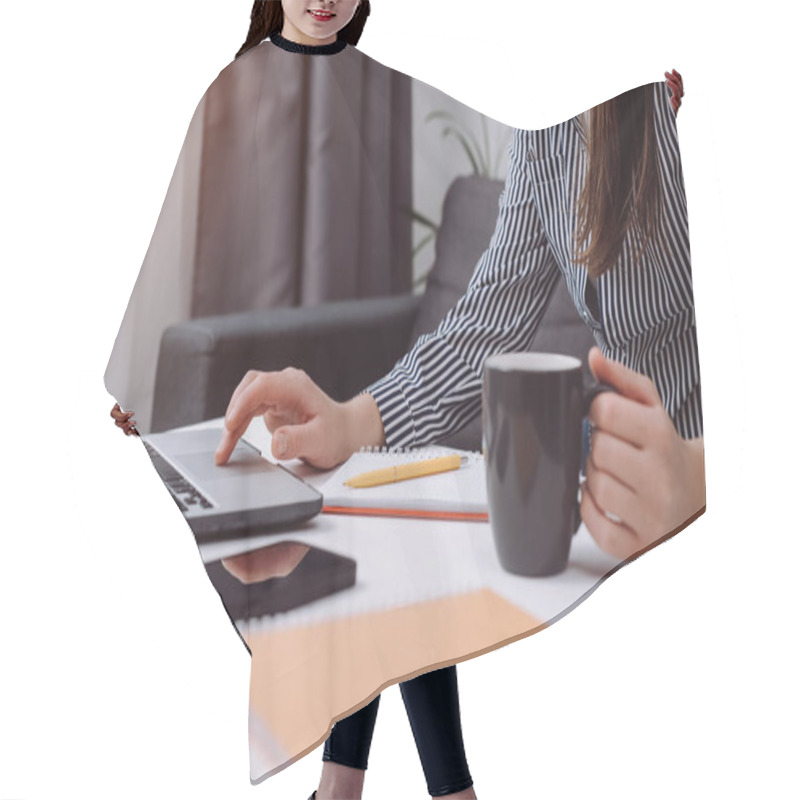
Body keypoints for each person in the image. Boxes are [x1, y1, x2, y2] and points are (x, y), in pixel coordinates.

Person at [112, 2, 478, 799]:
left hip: (372, 385)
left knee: (385, 572)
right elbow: (183, 235)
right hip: (265, 392)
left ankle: (345, 787)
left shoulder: (382, 89)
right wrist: (148, 376)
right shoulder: (234, 86)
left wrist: (631, 130)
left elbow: (517, 157)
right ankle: (404, 789)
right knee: (375, 575)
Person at [214, 70, 703, 566]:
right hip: (630, 523)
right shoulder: (545, 132)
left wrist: (701, 476)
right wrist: (347, 421)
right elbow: (484, 326)